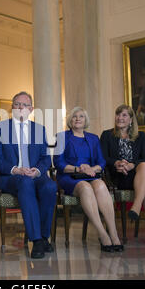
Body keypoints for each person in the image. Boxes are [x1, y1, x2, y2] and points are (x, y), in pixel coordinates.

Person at [0, 91, 57, 259]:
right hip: (10, 177)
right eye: (17, 104)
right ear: (12, 107)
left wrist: (37, 171)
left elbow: (45, 158)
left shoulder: (39, 129)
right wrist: (15, 169)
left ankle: (43, 235)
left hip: (34, 175)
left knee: (50, 186)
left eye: (25, 105)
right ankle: (37, 240)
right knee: (25, 183)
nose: (21, 107)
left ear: (31, 109)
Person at [53, 107, 123, 253]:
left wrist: (94, 169)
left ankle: (114, 233)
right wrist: (78, 169)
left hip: (90, 174)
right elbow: (58, 163)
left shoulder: (93, 138)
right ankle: (102, 234)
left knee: (101, 186)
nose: (77, 119)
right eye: (74, 117)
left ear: (86, 121)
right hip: (69, 176)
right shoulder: (61, 137)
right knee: (85, 187)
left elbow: (102, 161)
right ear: (70, 120)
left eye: (81, 117)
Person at [100, 105, 145, 246]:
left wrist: (131, 165)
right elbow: (103, 158)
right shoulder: (107, 135)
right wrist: (117, 162)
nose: (120, 118)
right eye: (118, 114)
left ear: (131, 120)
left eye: (124, 115)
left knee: (144, 166)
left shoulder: (140, 136)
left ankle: (136, 205)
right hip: (119, 177)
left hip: (137, 173)